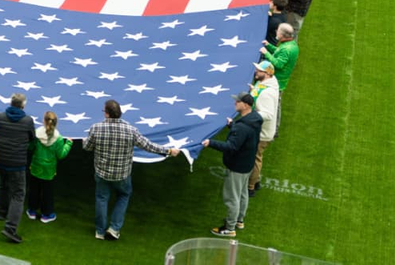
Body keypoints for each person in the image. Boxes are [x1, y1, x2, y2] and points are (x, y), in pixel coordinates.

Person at [83, 99, 179, 240]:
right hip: (122, 175)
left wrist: (84, 141)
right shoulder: (131, 130)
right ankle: (114, 228)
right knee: (123, 196)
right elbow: (148, 146)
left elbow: (87, 147)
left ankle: (100, 231)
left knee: (102, 199)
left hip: (102, 173)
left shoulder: (96, 128)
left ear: (107, 114)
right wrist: (168, 151)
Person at [202, 93, 263, 237]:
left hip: (237, 167)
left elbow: (231, 146)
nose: (235, 103)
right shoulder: (254, 119)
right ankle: (239, 221)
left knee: (232, 198)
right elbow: (244, 136)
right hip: (247, 164)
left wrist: (210, 143)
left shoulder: (243, 127)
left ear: (245, 105)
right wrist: (233, 126)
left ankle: (230, 228)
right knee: (242, 194)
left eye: (238, 101)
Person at [0, 92, 35, 243]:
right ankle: (10, 228)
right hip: (17, 163)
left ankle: (2, 212)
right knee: (18, 194)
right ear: (23, 105)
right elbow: (32, 137)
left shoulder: (1, 117)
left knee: (3, 185)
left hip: (1, 160)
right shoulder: (27, 121)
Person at [28, 111, 73, 224]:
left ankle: (32, 211)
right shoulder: (58, 138)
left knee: (34, 190)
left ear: (44, 121)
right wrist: (68, 144)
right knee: (47, 192)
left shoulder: (36, 134)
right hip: (49, 171)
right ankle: (46, 215)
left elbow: (30, 147)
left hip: (36, 167)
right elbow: (61, 155)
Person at [248, 61, 280, 197]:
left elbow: (268, 114)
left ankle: (250, 187)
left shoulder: (267, 93)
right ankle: (256, 181)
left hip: (262, 134)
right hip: (261, 131)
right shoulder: (266, 83)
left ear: (266, 74)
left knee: (255, 159)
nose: (256, 72)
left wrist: (249, 116)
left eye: (259, 70)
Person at [260, 23, 300, 91]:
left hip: (276, 81)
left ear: (281, 35)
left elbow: (278, 64)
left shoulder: (286, 49)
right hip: (279, 79)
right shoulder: (291, 44)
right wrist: (269, 45)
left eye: (278, 31)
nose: (276, 32)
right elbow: (279, 51)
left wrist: (266, 53)